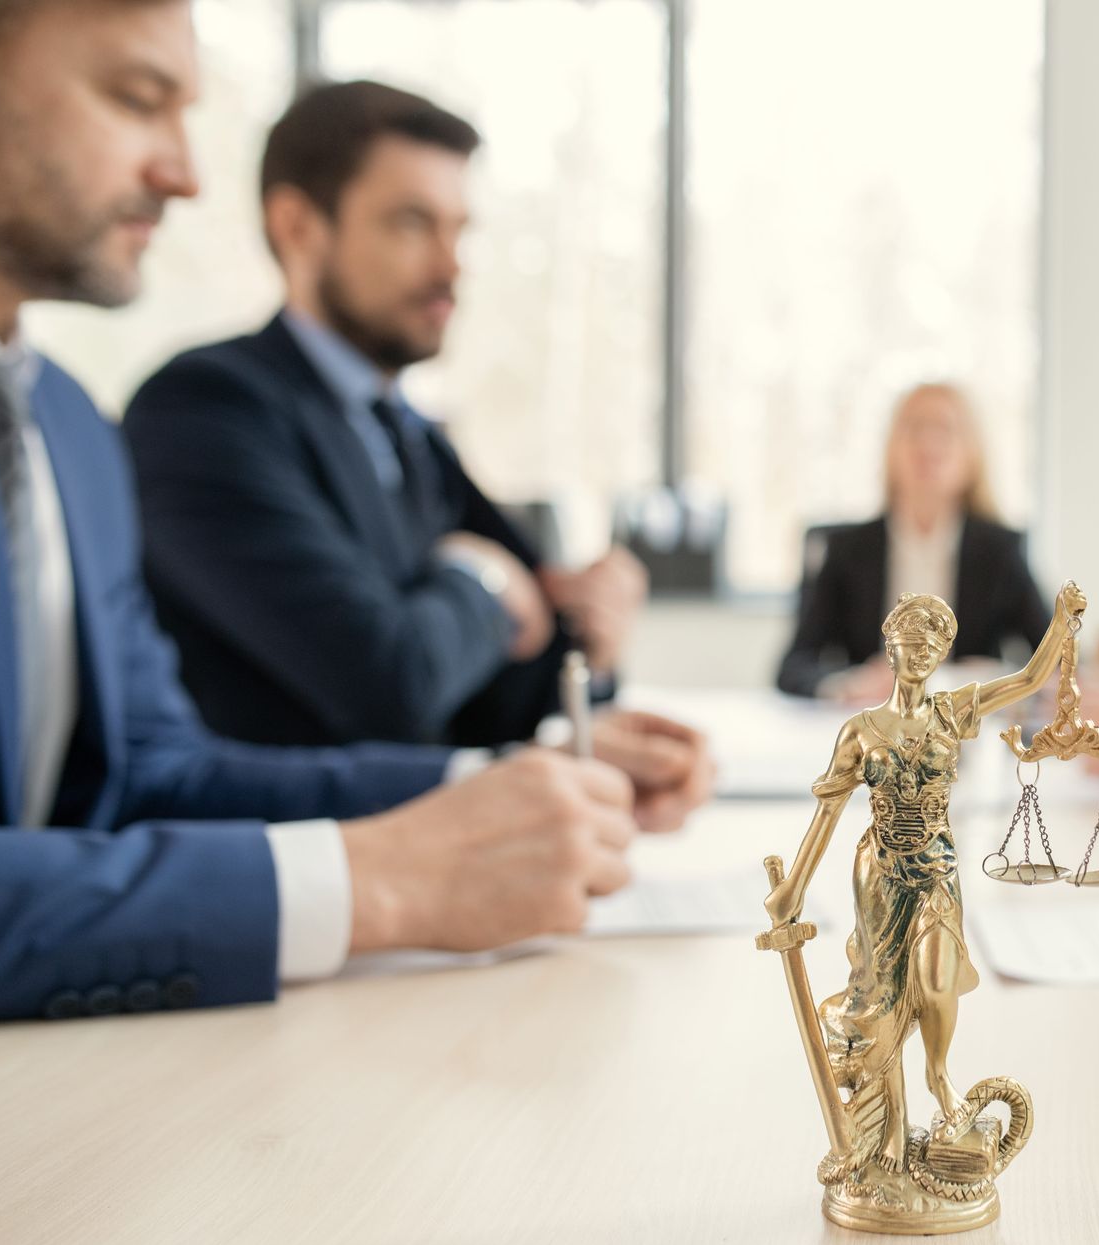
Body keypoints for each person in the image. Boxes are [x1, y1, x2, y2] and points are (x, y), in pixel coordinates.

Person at [0, 0, 638, 1023]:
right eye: (134, 98)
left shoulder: (62, 425)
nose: (187, 174)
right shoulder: (199, 408)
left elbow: (150, 778)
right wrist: (369, 882)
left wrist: (503, 786)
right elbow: (395, 670)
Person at [123, 80, 708, 827]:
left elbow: (509, 690)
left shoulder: (411, 436)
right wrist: (483, 581)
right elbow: (390, 681)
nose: (452, 263)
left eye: (460, 229)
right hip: (284, 882)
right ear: (297, 224)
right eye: (412, 223)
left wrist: (593, 643)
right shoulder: (204, 410)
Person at [764, 582, 1086, 1177]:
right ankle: (886, 1134)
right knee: (881, 997)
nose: (921, 655)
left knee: (937, 981)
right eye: (911, 644)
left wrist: (1062, 624)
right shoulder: (860, 731)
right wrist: (794, 889)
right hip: (881, 872)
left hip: (937, 868)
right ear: (889, 650)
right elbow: (828, 814)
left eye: (932, 646)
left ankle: (940, 1079)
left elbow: (1025, 681)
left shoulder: (953, 711)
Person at [776, 382, 1050, 702]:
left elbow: (1054, 663)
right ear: (891, 448)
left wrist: (986, 678)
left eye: (946, 429)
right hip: (874, 726)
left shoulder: (1000, 551)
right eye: (914, 427)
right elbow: (793, 667)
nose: (928, 444)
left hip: (963, 737)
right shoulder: (846, 550)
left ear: (972, 453)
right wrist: (847, 685)